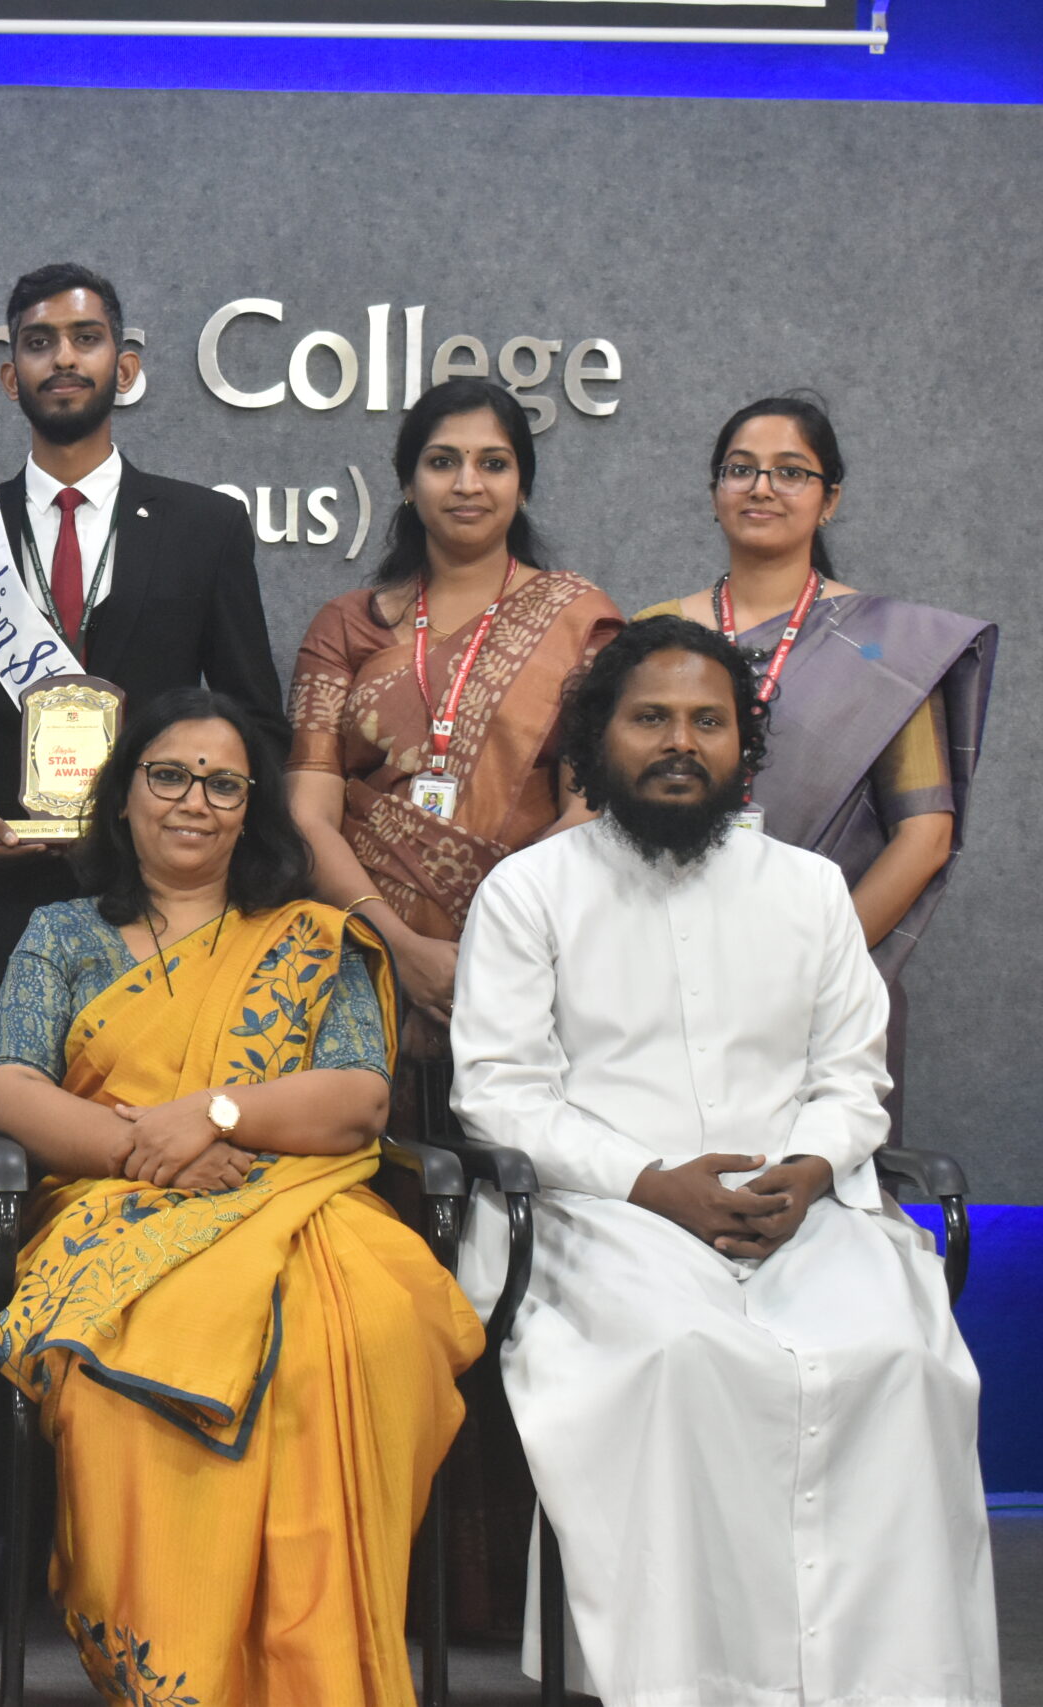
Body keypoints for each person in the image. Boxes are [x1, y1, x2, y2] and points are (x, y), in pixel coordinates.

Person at [451, 617, 998, 1707]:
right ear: (597, 737)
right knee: (683, 1356)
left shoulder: (808, 890)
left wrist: (810, 1168)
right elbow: (499, 1093)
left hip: (800, 1212)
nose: (679, 742)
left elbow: (853, 1078)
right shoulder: (529, 889)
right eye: (650, 718)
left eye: (708, 721)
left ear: (742, 744)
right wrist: (651, 1182)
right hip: (600, 1217)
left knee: (900, 1356)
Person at [0, 687, 481, 1706]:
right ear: (123, 795)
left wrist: (213, 1115)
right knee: (131, 1363)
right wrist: (144, 1152)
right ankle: (181, 1676)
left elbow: (358, 1097)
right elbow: (9, 1090)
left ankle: (318, 1672)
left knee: (366, 1326)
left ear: (253, 809)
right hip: (110, 1208)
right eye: (169, 776)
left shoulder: (312, 936)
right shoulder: (61, 933)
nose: (193, 801)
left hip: (293, 1199)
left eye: (223, 785)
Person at [0, 262, 285, 1133]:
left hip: (161, 908)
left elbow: (257, 720)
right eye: (39, 343)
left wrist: (186, 815)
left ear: (126, 365)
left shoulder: (205, 528)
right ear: (11, 377)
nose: (64, 359)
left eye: (86, 338)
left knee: (155, 1145)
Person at [638, 394, 994, 1129]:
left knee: (813, 1178)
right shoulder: (651, 632)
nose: (762, 487)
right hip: (654, 975)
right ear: (715, 491)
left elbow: (925, 833)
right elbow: (604, 808)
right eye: (741, 469)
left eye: (791, 472)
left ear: (830, 499)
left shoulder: (885, 648)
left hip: (824, 991)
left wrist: (805, 973)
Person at [287, 376, 621, 1085]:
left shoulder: (578, 620)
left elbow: (589, 812)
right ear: (408, 484)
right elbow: (308, 816)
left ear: (523, 486)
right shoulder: (345, 625)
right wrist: (399, 946)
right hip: (358, 955)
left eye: (493, 463)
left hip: (527, 953)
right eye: (442, 462)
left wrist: (490, 944)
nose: (468, 483)